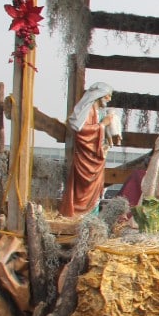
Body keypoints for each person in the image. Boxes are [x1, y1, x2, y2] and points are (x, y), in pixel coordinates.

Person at [59, 82, 118, 218]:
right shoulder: (88, 110)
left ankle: (90, 216)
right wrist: (102, 125)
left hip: (95, 158)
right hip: (86, 158)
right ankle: (79, 214)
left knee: (94, 188)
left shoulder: (97, 112)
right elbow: (82, 132)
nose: (109, 99)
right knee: (83, 189)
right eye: (107, 96)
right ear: (99, 95)